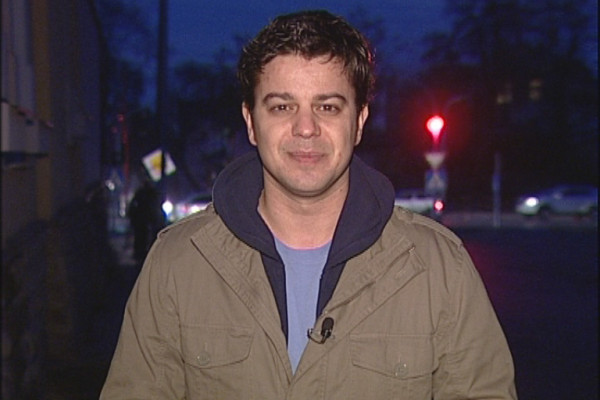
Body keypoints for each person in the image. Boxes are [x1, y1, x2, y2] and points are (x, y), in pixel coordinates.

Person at [101, 10, 517, 399]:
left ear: (359, 122)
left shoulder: (439, 268)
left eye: (327, 106)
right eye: (282, 106)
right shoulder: (178, 264)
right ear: (251, 122)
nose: (305, 127)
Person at [127, 178, 165, 263]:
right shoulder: (149, 193)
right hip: (145, 218)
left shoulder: (146, 193)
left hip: (145, 218)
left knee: (143, 237)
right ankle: (143, 254)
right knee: (142, 236)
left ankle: (143, 254)